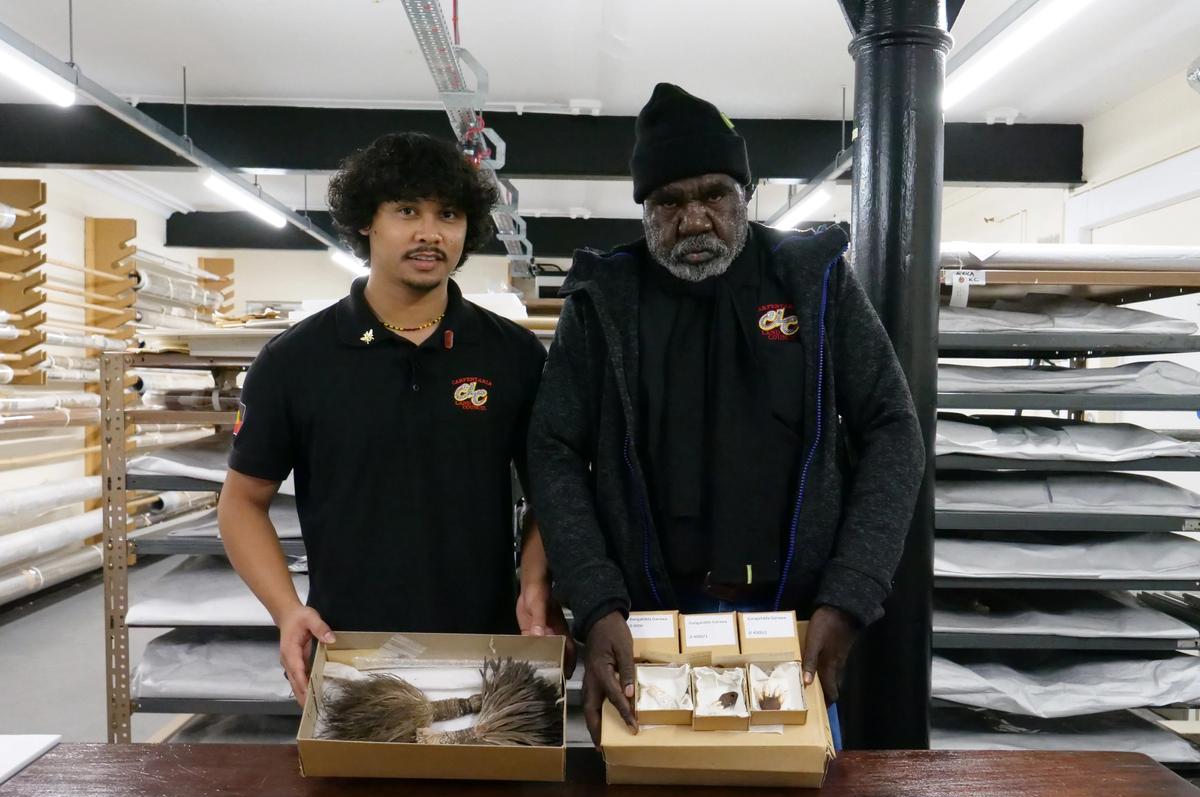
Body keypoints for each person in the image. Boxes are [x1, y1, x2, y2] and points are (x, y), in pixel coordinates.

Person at [528, 83, 924, 745]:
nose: (693, 220)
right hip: (646, 626)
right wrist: (595, 602)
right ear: (644, 209)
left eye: (714, 195)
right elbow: (554, 449)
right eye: (668, 203)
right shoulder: (604, 303)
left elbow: (892, 426)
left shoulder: (814, 282)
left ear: (746, 194)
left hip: (792, 623)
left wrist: (850, 591)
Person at [218, 132, 572, 706]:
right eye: (407, 210)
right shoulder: (296, 361)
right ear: (366, 222)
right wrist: (287, 610)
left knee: (496, 796)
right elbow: (241, 501)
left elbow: (550, 492)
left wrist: (535, 583)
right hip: (349, 651)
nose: (430, 232)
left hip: (488, 652)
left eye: (449, 214)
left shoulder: (514, 356)